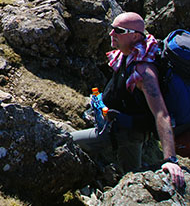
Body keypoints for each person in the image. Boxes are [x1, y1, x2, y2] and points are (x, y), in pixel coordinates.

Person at [71, 12, 185, 190]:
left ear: (135, 35)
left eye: (118, 30)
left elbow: (161, 113)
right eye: (112, 28)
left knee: (67, 142)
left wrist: (170, 160)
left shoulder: (143, 71)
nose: (111, 34)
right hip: (121, 128)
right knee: (131, 171)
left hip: (125, 133)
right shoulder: (130, 53)